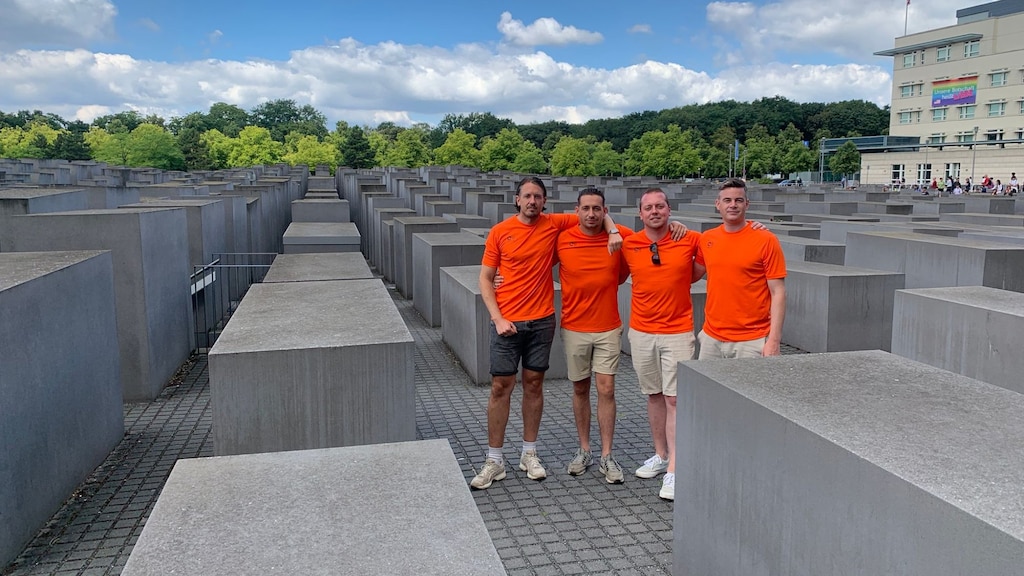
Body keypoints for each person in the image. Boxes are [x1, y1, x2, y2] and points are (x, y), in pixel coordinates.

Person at [470, 176, 621, 490]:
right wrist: (497, 318)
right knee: (500, 386)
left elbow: (594, 212)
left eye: (538, 197)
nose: (532, 202)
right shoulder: (500, 232)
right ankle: (494, 459)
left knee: (534, 384)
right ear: (517, 199)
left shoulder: (554, 223)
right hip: (506, 321)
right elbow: (485, 280)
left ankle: (529, 453)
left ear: (544, 202)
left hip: (541, 320)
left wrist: (613, 228)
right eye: (527, 196)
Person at [619, 188, 703, 502]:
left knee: (675, 400)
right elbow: (602, 225)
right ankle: (661, 455)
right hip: (641, 332)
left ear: (669, 210)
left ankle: (674, 472)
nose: (654, 211)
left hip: (678, 332)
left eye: (660, 206)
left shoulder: (690, 239)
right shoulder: (629, 242)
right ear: (640, 214)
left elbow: (700, 269)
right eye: (648, 208)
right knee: (653, 395)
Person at [556, 188, 635, 484]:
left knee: (607, 388)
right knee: (579, 389)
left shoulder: (620, 236)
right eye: (586, 208)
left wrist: (613, 227)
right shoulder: (562, 236)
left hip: (607, 327)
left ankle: (606, 455)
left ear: (605, 211)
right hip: (574, 327)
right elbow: (534, 263)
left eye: (597, 209)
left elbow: (625, 271)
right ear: (576, 210)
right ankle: (584, 449)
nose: (591, 214)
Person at [695, 177, 787, 362]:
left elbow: (778, 293)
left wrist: (774, 341)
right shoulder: (707, 239)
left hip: (751, 341)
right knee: (707, 391)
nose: (733, 205)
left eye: (738, 200)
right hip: (712, 337)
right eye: (727, 200)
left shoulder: (766, 240)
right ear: (718, 204)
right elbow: (690, 275)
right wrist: (673, 227)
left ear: (747, 204)